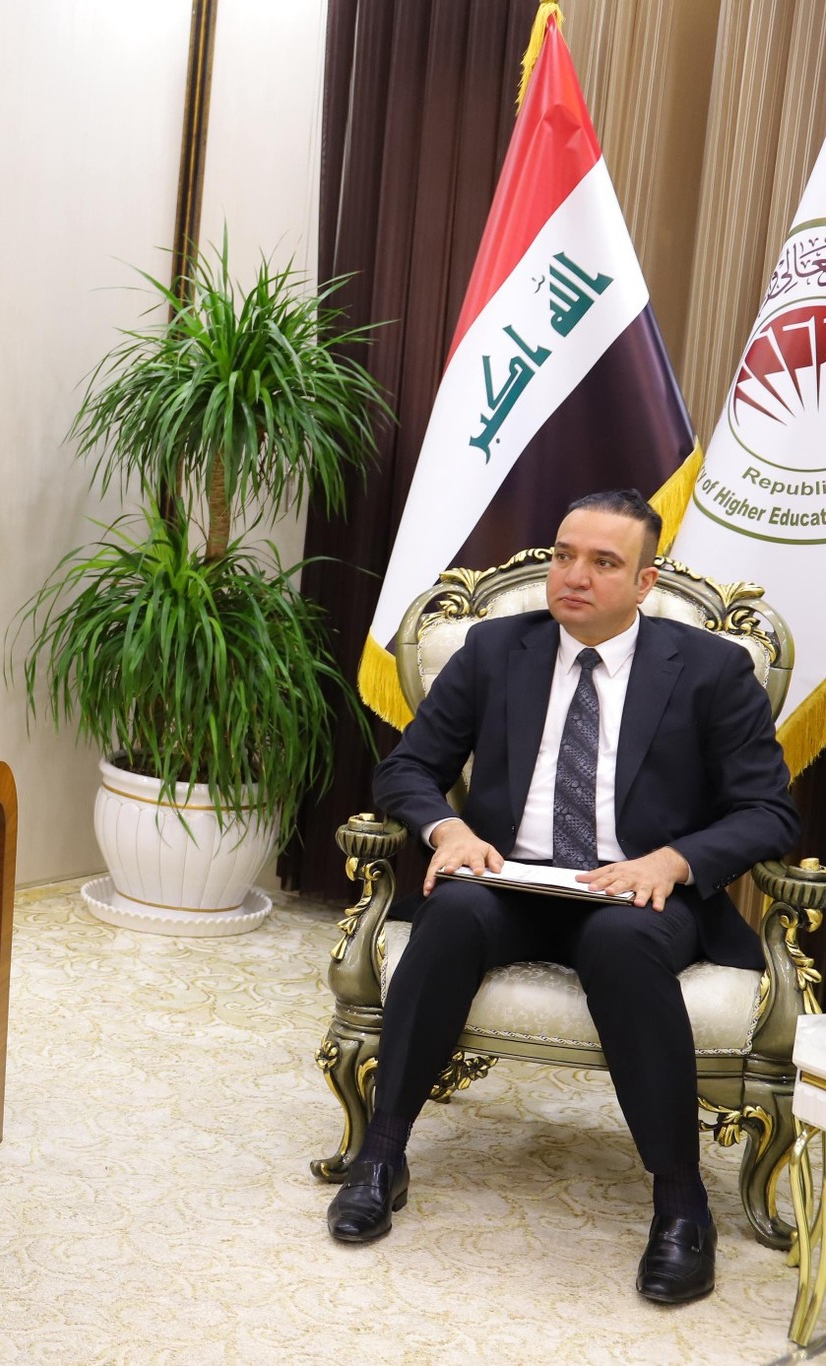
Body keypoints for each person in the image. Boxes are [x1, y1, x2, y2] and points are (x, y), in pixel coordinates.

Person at [325, 488, 799, 1304]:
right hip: (511, 881)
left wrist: (674, 862)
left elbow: (768, 812)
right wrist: (448, 830)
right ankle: (381, 1156)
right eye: (564, 555)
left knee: (621, 943)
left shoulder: (711, 669)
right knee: (455, 911)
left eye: (603, 562)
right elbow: (407, 769)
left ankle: (681, 1205)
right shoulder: (495, 648)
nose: (574, 576)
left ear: (644, 582)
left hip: (634, 897)